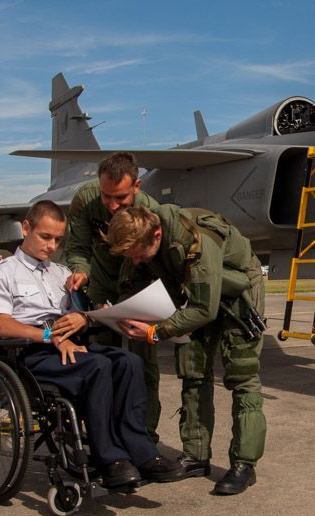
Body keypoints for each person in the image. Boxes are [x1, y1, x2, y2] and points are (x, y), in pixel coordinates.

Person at [0, 200, 184, 486]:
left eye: (58, 240)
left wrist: (84, 318)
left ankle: (143, 452)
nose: (52, 246)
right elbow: (2, 324)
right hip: (30, 352)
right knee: (97, 366)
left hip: (71, 345)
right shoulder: (2, 273)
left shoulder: (63, 274)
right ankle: (110, 458)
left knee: (129, 362)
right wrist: (52, 337)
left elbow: (79, 311)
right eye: (45, 237)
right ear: (26, 228)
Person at [110, 205, 266, 496]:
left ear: (156, 234)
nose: (133, 260)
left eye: (136, 253)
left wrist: (157, 331)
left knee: (242, 376)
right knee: (193, 371)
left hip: (238, 296)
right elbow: (136, 283)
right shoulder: (142, 237)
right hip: (196, 293)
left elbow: (204, 309)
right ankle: (195, 456)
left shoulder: (197, 238)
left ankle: (245, 464)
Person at [64, 151, 163, 441]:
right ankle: (101, 433)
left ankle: (144, 433)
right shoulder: (85, 199)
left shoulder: (150, 212)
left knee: (144, 362)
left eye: (120, 198)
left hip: (137, 288)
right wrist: (80, 271)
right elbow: (78, 247)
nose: (112, 205)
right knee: (99, 359)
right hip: (100, 284)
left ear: (137, 186)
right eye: (107, 197)